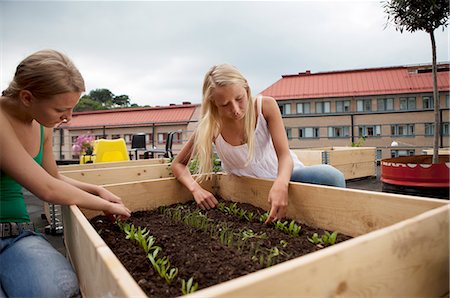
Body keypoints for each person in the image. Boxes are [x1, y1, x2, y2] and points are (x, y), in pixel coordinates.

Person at [0, 49, 131, 297]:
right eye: (61, 109)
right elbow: (46, 190)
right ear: (27, 98)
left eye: (72, 109)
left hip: (17, 236)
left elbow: (53, 177)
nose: (68, 119)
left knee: (60, 288)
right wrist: (105, 205)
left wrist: (97, 189)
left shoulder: (41, 125)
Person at [172, 64, 345, 224]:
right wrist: (195, 189)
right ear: (213, 103)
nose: (236, 110)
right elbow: (178, 164)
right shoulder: (210, 127)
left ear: (246, 88)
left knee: (331, 176)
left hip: (285, 177)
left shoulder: (265, 106)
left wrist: (281, 184)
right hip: (249, 191)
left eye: (239, 98)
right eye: (225, 105)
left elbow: (284, 156)